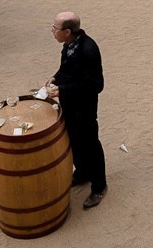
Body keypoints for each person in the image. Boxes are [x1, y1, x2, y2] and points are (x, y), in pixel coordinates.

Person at [43, 11, 107, 210]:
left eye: (55, 28)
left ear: (67, 32)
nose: (52, 31)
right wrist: (56, 78)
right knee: (74, 140)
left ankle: (99, 186)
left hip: (84, 108)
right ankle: (82, 173)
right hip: (70, 105)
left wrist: (62, 90)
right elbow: (66, 69)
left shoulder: (88, 49)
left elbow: (95, 85)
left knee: (90, 144)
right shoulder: (69, 45)